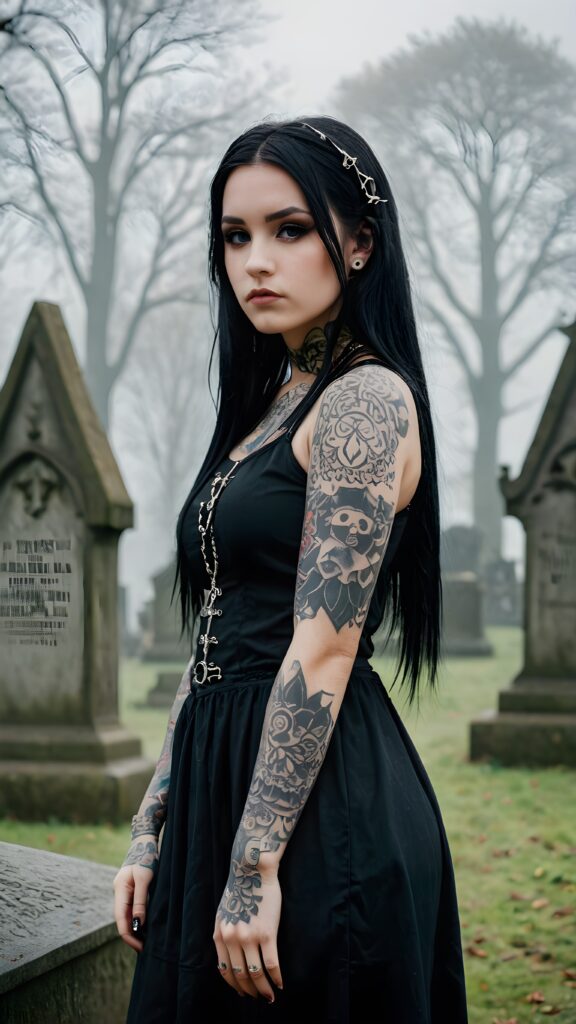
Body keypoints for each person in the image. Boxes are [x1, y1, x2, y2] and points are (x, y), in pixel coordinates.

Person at [114, 115, 469, 1023]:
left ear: (359, 244)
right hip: (221, 782)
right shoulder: (272, 400)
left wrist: (254, 862)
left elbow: (322, 650)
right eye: (235, 237)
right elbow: (217, 632)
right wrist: (153, 826)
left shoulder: (363, 402)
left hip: (317, 813)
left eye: (290, 229)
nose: (256, 262)